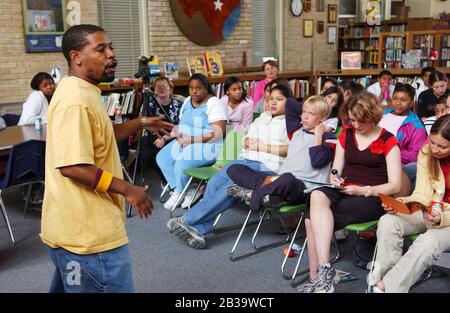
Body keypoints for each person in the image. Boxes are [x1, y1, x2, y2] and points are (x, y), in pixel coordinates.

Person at [41, 24, 173, 293]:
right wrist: (128, 189)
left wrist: (139, 122)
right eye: (100, 49)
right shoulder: (75, 100)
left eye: (111, 47)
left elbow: (101, 133)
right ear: (76, 57)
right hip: (90, 241)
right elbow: (73, 166)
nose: (111, 54)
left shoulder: (81, 89)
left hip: (72, 233)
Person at [297, 91, 402, 293]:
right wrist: (334, 177)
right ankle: (325, 269)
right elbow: (336, 168)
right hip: (346, 188)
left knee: (312, 217)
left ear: (372, 116)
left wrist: (364, 191)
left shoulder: (389, 141)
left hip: (372, 195)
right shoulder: (346, 134)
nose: (356, 125)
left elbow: (395, 186)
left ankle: (318, 277)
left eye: (360, 121)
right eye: (352, 120)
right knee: (316, 195)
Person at [166, 85, 291, 249]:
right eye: (270, 99)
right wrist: (245, 141)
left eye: (279, 99)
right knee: (215, 181)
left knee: (230, 186)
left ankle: (187, 219)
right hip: (246, 158)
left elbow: (290, 149)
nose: (273, 103)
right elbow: (246, 138)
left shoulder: (291, 122)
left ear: (289, 102)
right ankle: (200, 229)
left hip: (266, 166)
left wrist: (262, 147)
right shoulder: (262, 117)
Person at [368, 114, 450, 293]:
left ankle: (386, 287)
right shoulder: (426, 152)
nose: (434, 149)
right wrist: (400, 203)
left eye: (442, 146)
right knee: (388, 221)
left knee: (428, 241)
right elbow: (422, 193)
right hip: (430, 210)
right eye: (432, 142)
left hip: (447, 217)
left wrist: (441, 217)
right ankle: (386, 279)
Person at [226, 95, 336, 211]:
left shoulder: (329, 138)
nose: (305, 117)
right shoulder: (296, 131)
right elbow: (290, 104)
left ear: (323, 117)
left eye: (311, 114)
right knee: (234, 168)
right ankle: (269, 194)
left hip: (303, 188)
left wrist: (318, 136)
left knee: (287, 178)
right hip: (278, 180)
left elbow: (317, 161)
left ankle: (256, 194)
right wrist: (312, 104)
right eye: (304, 111)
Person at [157, 73, 227, 210]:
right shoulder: (187, 101)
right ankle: (185, 189)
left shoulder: (214, 103)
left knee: (183, 158)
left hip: (210, 144)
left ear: (206, 88)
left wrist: (192, 140)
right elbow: (181, 124)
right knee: (162, 158)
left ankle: (179, 192)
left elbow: (220, 132)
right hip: (187, 141)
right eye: (191, 88)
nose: (194, 91)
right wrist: (177, 135)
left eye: (198, 88)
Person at [141, 77, 183, 185]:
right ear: (154, 89)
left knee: (159, 149)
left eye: (165, 86)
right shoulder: (148, 102)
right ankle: (165, 179)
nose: (162, 88)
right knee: (146, 151)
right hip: (152, 134)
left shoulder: (178, 104)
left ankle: (168, 181)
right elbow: (142, 121)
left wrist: (164, 138)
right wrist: (157, 135)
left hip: (174, 135)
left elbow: (181, 127)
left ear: (170, 89)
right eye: (158, 86)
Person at [379, 83, 427, 166]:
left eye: (403, 100)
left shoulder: (417, 127)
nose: (398, 103)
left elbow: (416, 155)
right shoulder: (382, 114)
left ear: (411, 102)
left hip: (393, 164)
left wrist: (389, 152)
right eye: (395, 99)